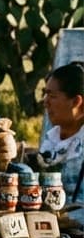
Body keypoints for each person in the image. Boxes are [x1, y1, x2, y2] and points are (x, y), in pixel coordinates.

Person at [40, 61, 84, 205]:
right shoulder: (52, 139)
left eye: (52, 96)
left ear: (76, 101)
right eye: (45, 95)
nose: (45, 102)